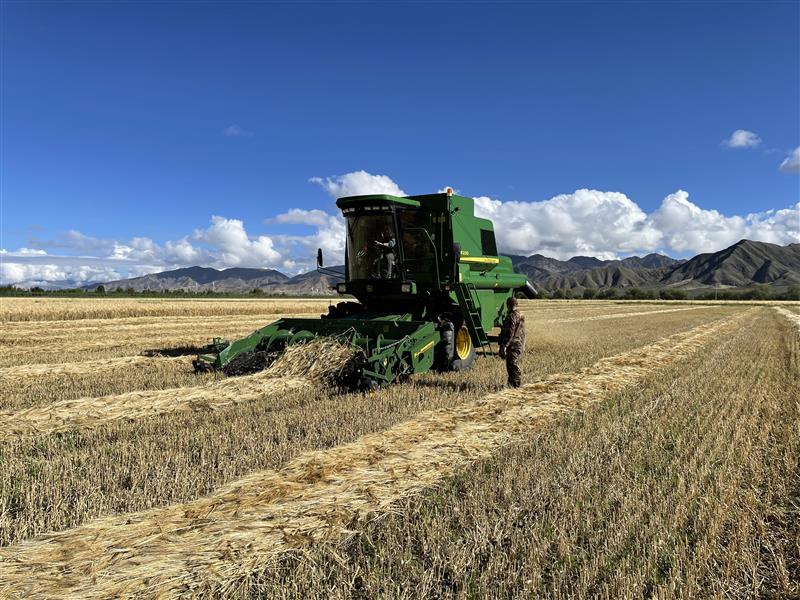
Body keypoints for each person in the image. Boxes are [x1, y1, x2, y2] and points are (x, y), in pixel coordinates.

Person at [498, 296, 526, 387]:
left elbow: (510, 332)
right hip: (519, 343)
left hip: (513, 344)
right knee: (513, 364)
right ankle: (513, 385)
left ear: (508, 305)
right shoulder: (521, 315)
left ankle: (515, 385)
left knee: (512, 365)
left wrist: (504, 346)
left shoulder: (511, 316)